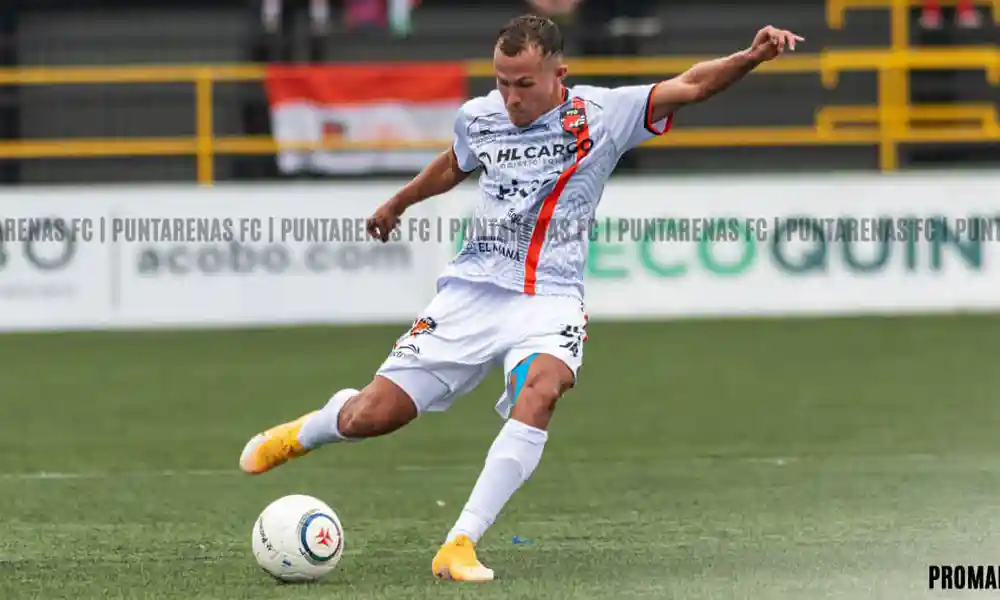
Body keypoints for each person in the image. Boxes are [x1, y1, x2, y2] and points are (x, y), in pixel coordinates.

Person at [239, 14, 803, 582]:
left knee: (542, 391)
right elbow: (454, 164)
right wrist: (399, 203)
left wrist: (750, 56)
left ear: (560, 74)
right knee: (371, 416)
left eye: (524, 84)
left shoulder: (601, 115)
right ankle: (307, 431)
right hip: (470, 295)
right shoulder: (478, 116)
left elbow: (692, 83)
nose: (510, 97)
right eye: (502, 82)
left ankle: (459, 543)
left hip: (550, 298)